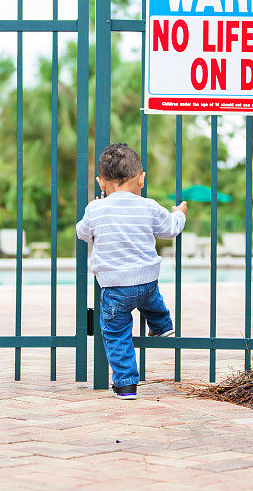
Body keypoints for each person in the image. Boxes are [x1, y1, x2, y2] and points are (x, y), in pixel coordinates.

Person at [76, 143, 187, 400]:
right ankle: (162, 324)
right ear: (141, 178)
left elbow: (83, 233)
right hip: (147, 281)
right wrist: (180, 214)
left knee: (116, 333)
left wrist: (94, 209)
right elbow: (170, 229)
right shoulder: (149, 206)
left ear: (101, 182)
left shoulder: (96, 208)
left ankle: (126, 385)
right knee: (150, 298)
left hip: (115, 287)